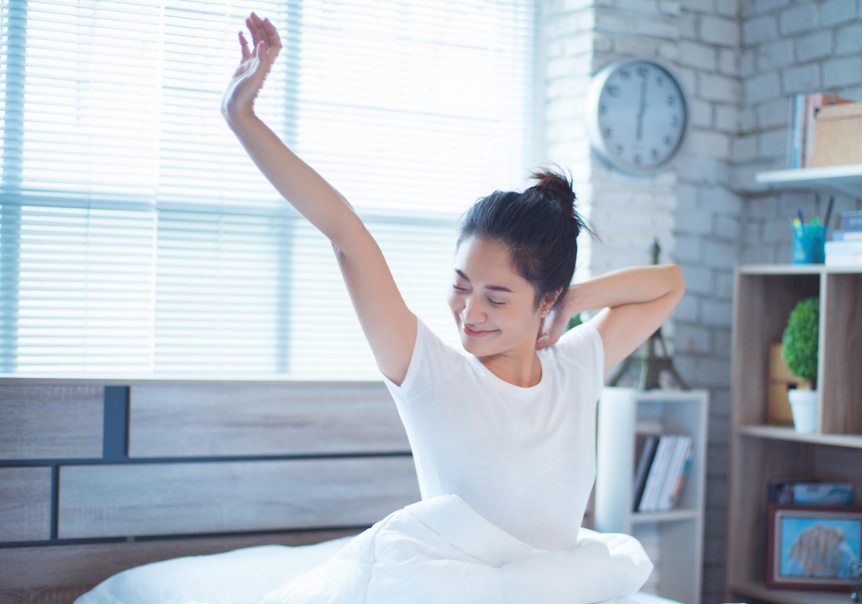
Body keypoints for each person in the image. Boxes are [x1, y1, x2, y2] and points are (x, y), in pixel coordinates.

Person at [223, 13, 685, 552]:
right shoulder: (431, 376)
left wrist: (576, 300)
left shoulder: (576, 367)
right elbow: (346, 233)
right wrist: (241, 116)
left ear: (546, 299)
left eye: (497, 296)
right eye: (462, 285)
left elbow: (670, 284)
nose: (469, 312)